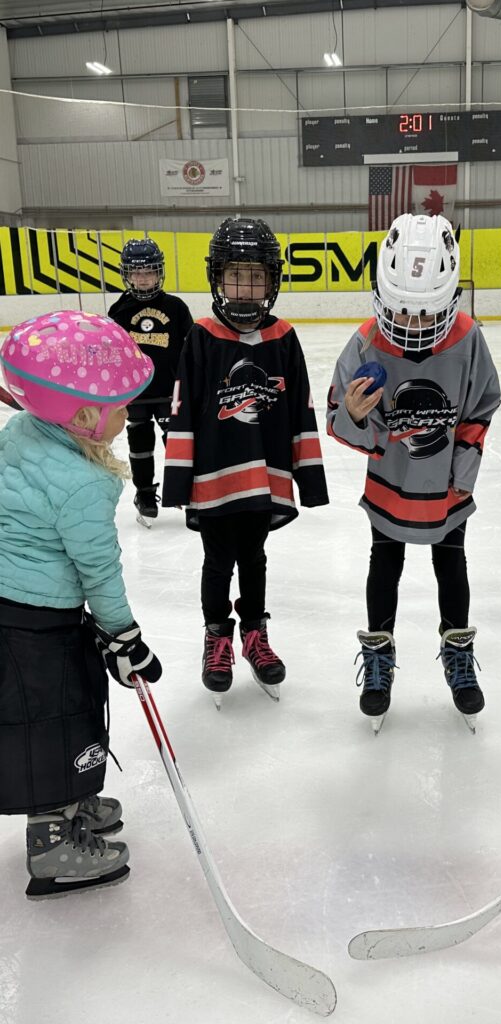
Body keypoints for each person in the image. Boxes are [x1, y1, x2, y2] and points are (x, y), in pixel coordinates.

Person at [0, 311, 163, 899]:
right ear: (85, 416)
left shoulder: (22, 430)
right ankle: (52, 845)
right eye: (122, 405)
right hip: (36, 621)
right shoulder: (83, 483)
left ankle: (73, 800)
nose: (131, 414)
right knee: (56, 721)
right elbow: (99, 569)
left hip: (17, 608)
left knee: (65, 711)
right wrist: (124, 636)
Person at [325, 213, 501, 733]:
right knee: (386, 563)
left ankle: (457, 652)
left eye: (427, 314)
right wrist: (355, 418)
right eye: (403, 311)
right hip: (391, 483)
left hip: (446, 487)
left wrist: (461, 477)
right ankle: (379, 661)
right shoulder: (364, 343)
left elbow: (481, 407)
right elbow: (338, 414)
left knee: (452, 564)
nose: (415, 325)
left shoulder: (468, 340)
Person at [162, 217, 329, 707]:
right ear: (217, 277)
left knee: (253, 557)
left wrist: (309, 479)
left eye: (256, 276)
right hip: (214, 478)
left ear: (273, 280)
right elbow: (183, 409)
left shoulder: (284, 337)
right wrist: (178, 482)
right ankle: (218, 636)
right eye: (237, 274)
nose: (247, 287)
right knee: (217, 560)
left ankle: (254, 632)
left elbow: (301, 406)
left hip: (263, 477)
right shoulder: (202, 335)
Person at [108, 238, 194, 524]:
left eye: (149, 271)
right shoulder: (119, 311)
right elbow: (112, 353)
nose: (143, 278)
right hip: (136, 394)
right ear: (127, 275)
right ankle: (144, 493)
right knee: (140, 444)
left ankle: (189, 491)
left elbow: (191, 348)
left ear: (159, 272)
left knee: (178, 442)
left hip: (170, 391)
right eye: (136, 272)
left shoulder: (176, 307)